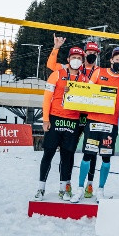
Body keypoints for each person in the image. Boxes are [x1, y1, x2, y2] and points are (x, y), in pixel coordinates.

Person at [70, 47, 119, 202]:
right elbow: (86, 90)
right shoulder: (99, 72)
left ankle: (100, 190)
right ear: (111, 60)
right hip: (93, 121)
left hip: (110, 124)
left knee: (106, 158)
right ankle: (80, 189)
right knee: (87, 155)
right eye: (117, 59)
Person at [34, 47, 88, 201]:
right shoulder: (57, 74)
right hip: (55, 118)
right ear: (68, 60)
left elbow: (88, 103)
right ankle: (40, 188)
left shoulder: (84, 80)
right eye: (73, 57)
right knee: (48, 154)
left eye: (79, 58)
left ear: (82, 62)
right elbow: (47, 98)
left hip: (73, 121)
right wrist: (45, 119)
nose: (76, 60)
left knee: (67, 157)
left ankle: (63, 189)